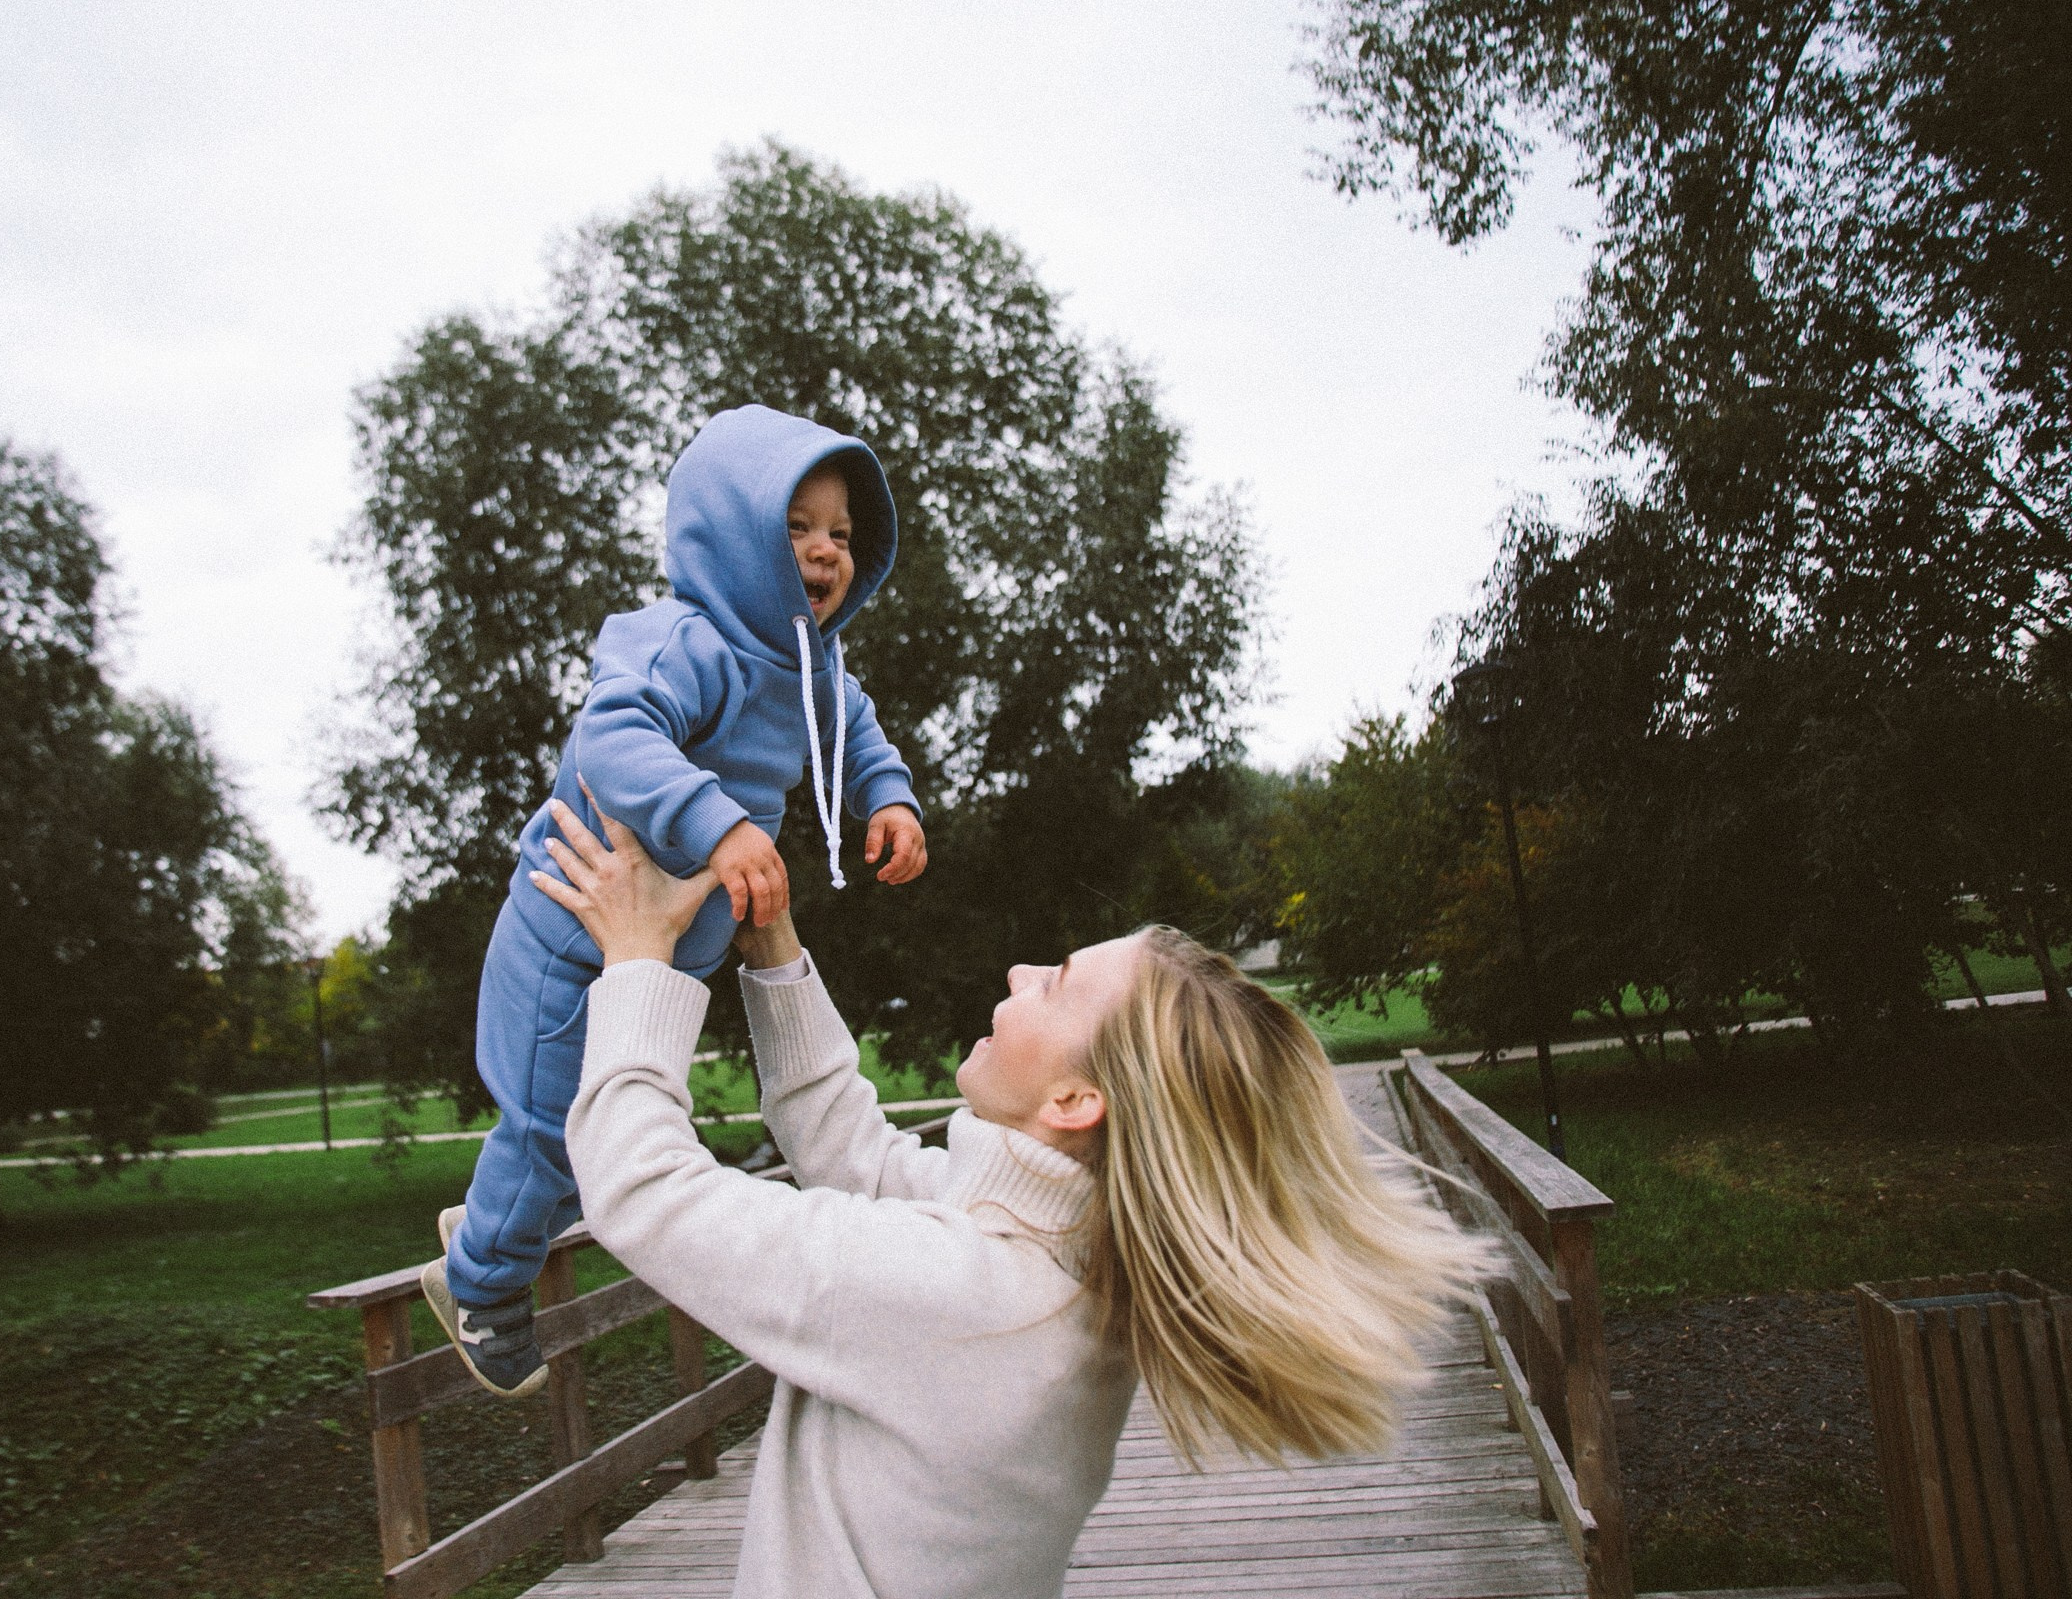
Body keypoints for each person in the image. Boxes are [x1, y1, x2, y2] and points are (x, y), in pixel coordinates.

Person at [519, 796, 1497, 1599]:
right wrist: (774, 945)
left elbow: (642, 1189)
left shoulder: (964, 1300)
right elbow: (851, 1147)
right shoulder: (1049, 1266)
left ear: (1076, 1099)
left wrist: (638, 959)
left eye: (1058, 983)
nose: (1021, 972)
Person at [426, 405, 929, 1397]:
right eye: (797, 527)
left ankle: (490, 1225)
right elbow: (612, 740)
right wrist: (720, 824)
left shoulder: (811, 665)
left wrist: (890, 795)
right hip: (573, 939)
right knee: (549, 1129)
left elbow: (858, 728)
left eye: (843, 534)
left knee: (602, 1126)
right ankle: (479, 1282)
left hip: (659, 951)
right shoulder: (684, 641)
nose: (826, 551)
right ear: (732, 533)